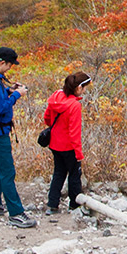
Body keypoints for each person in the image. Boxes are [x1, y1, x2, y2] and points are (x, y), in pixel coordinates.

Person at [0, 46, 37, 228]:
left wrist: (9, 91)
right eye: (10, 65)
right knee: (7, 171)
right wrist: (16, 95)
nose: (10, 69)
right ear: (2, 62)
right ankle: (16, 213)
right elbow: (1, 108)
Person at [43, 71, 91, 216]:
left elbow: (47, 118)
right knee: (74, 175)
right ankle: (74, 205)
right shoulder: (74, 106)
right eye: (84, 88)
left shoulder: (56, 97)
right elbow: (74, 132)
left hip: (54, 143)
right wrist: (79, 153)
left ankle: (52, 204)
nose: (85, 91)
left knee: (58, 173)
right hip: (68, 146)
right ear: (78, 88)